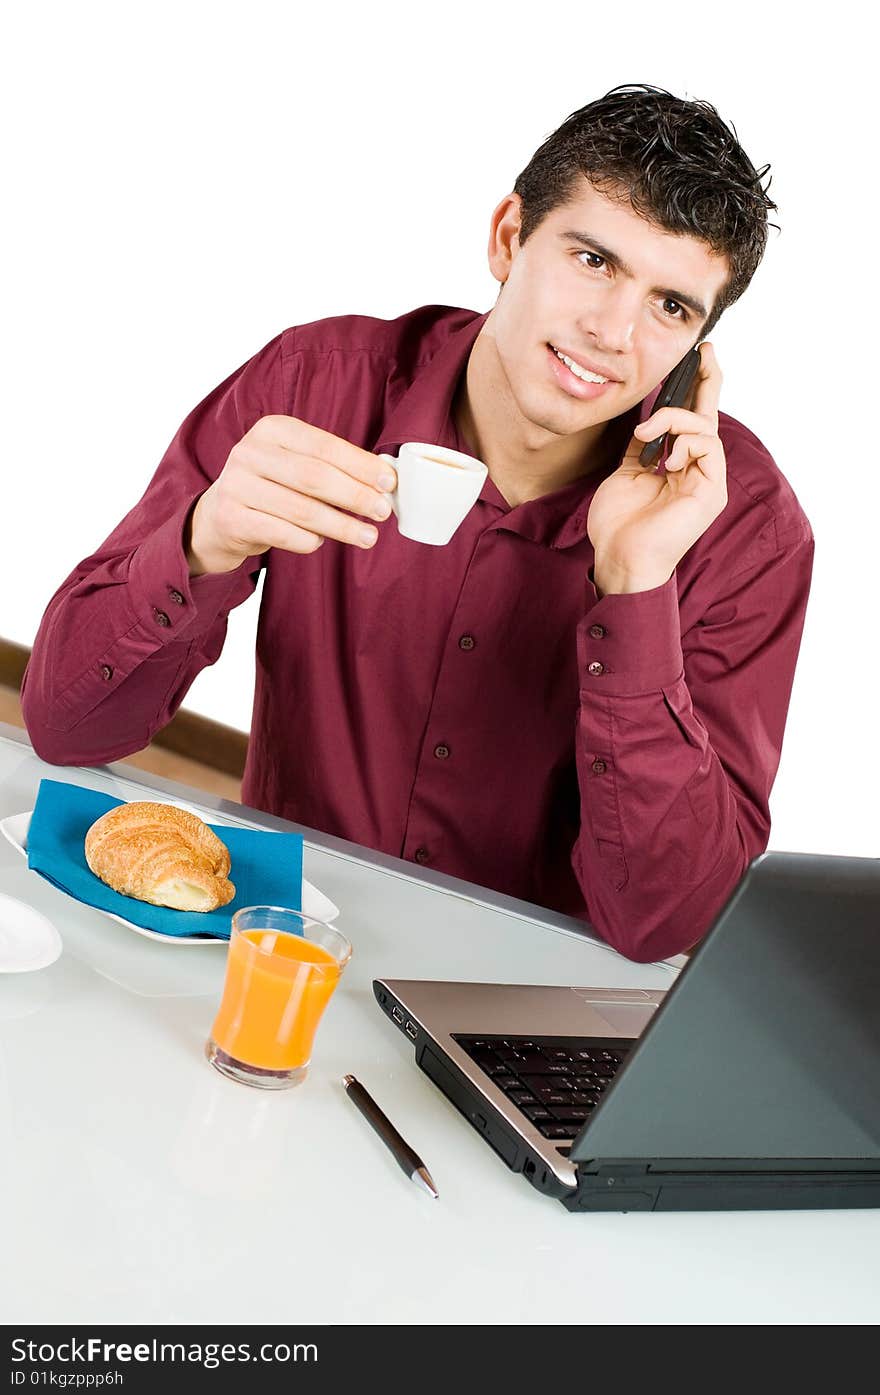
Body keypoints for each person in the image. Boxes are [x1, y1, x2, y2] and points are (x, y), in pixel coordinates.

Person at [21, 85, 813, 963]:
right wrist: (202, 541)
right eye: (593, 260)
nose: (612, 332)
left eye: (671, 306)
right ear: (509, 237)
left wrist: (635, 587)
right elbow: (66, 726)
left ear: (697, 343)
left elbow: (664, 924)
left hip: (526, 1001)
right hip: (274, 938)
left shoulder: (742, 529)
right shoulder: (314, 387)